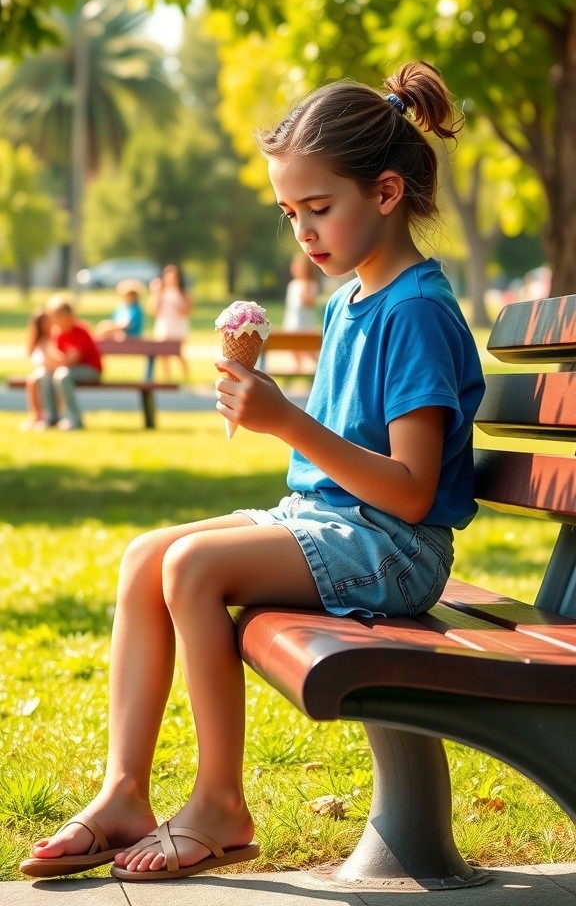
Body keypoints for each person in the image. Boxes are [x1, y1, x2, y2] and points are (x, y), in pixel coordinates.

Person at [20, 62, 485, 881]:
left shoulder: (413, 310)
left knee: (193, 569)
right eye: (289, 213)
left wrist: (287, 422)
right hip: (332, 523)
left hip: (393, 547)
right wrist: (274, 413)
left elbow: (411, 492)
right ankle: (125, 789)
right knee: (143, 560)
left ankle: (220, 804)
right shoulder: (353, 299)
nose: (303, 232)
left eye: (318, 208)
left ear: (384, 193)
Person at [36, 296, 103, 431]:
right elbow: (55, 355)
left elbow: (73, 359)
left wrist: (56, 363)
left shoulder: (80, 331)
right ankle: (51, 416)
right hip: (67, 369)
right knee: (44, 375)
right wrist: (50, 363)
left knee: (62, 375)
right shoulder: (58, 333)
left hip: (90, 370)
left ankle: (74, 417)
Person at [148, 264, 191, 381]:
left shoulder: (182, 293)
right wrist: (156, 293)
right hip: (164, 325)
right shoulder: (161, 292)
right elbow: (153, 310)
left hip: (177, 326)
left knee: (178, 353)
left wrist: (178, 306)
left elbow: (188, 311)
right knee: (163, 354)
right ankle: (167, 377)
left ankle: (185, 376)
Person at [282, 251, 321, 375]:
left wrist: (306, 287)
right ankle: (297, 370)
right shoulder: (293, 285)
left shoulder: (310, 285)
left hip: (304, 326)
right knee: (294, 351)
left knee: (310, 350)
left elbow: (308, 302)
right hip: (292, 324)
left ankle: (320, 368)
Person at [20, 308, 58, 431]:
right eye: (42, 323)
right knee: (34, 381)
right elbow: (34, 357)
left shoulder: (56, 336)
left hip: (55, 369)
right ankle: (37, 416)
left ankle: (48, 415)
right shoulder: (39, 340)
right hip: (44, 369)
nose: (45, 325)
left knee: (42, 379)